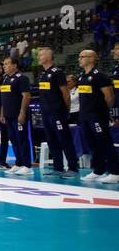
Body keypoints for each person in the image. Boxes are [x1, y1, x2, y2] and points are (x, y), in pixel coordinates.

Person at [76, 48, 117, 182]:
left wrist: (104, 111)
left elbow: (109, 97)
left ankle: (115, 172)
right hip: (85, 116)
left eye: (82, 56)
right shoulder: (81, 76)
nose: (79, 59)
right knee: (92, 144)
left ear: (91, 59)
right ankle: (98, 170)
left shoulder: (100, 76)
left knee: (105, 142)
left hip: (98, 116)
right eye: (79, 56)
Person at [36, 47, 78, 177]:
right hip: (46, 113)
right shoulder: (43, 74)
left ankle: (73, 168)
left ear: (49, 57)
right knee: (51, 140)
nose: (38, 57)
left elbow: (65, 94)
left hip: (57, 112)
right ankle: (58, 167)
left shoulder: (57, 72)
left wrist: (65, 111)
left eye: (41, 55)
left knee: (64, 139)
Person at [0, 55, 34, 175]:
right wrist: (2, 113)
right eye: (4, 64)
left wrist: (22, 113)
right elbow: (3, 97)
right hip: (8, 115)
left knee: (22, 139)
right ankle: (19, 163)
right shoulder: (5, 79)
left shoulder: (22, 78)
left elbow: (26, 96)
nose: (4, 66)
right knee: (13, 139)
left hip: (18, 114)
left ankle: (27, 165)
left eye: (7, 64)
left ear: (15, 65)